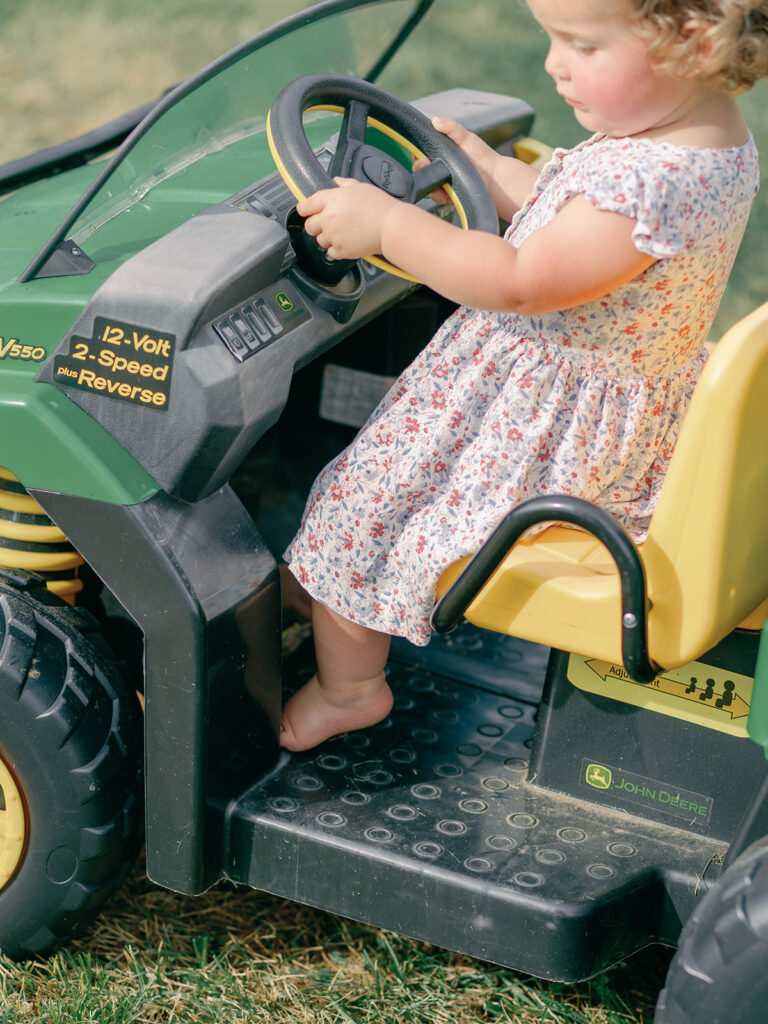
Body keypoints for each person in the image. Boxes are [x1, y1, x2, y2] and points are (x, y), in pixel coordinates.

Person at [279, 0, 766, 751]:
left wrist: (388, 225)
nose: (552, 63)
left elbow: (517, 280)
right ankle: (333, 599)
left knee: (361, 505)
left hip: (541, 426)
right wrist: (485, 169)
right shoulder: (694, 138)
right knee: (367, 501)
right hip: (603, 401)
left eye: (580, 43)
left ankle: (351, 688)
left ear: (692, 46)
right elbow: (565, 218)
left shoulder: (652, 183)